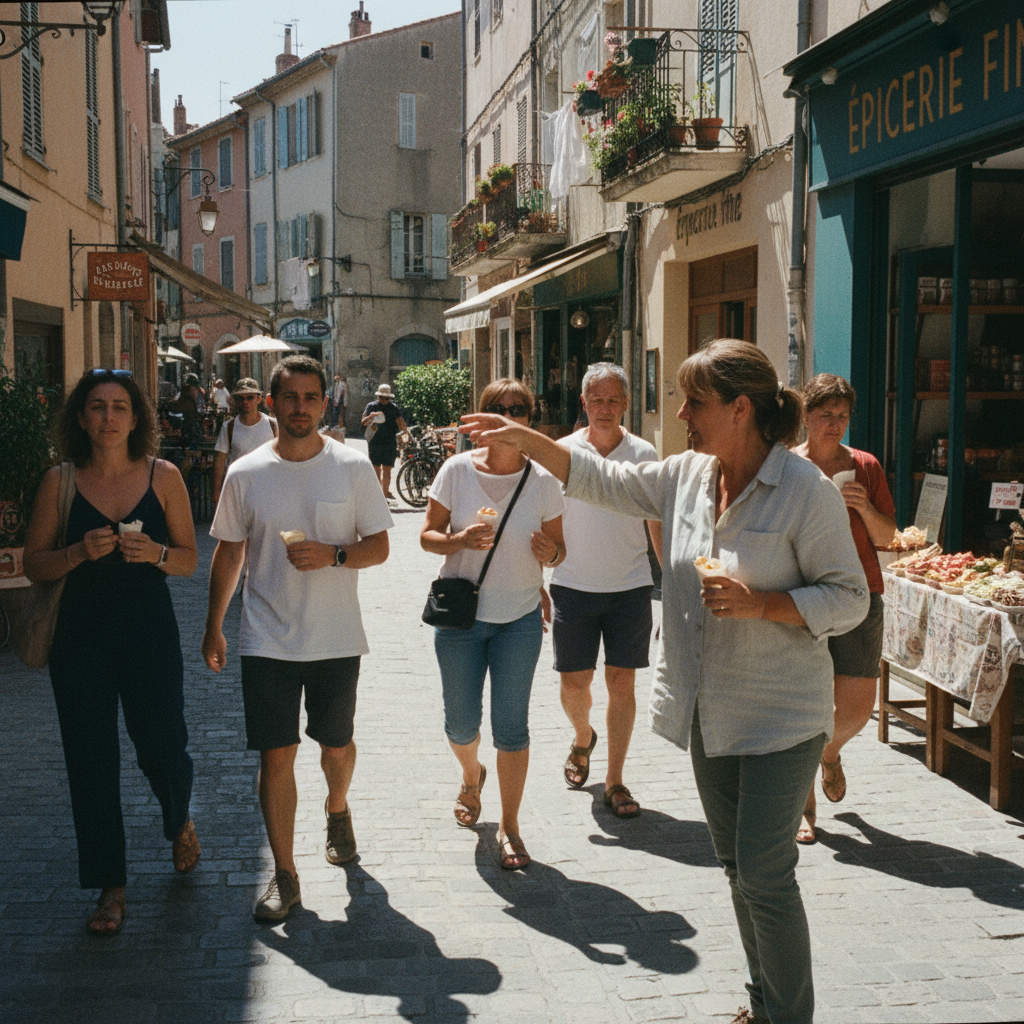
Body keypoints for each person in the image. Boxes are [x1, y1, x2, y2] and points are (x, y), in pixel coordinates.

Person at [461, 340, 869, 1024]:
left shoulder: (805, 491)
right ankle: (763, 1002)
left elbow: (850, 597)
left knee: (765, 873)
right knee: (738, 868)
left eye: (694, 401)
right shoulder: (685, 475)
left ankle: (788, 1016)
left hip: (782, 714)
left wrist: (764, 603)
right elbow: (600, 480)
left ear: (740, 409)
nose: (680, 414)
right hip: (711, 712)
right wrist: (526, 439)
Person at [202, 354, 393, 923]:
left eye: (311, 398)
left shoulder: (351, 467)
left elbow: (379, 547)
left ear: (324, 403)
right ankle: (284, 874)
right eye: (290, 397)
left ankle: (337, 808)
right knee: (275, 754)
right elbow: (229, 551)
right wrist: (214, 625)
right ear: (271, 403)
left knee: (336, 746)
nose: (301, 407)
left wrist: (334, 555)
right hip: (266, 637)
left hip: (335, 637)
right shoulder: (246, 473)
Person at [23, 368, 200, 937]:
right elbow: (34, 565)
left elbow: (189, 559)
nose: (108, 417)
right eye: (97, 407)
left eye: (119, 407)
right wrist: (77, 552)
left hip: (149, 633)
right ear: (81, 418)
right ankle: (110, 887)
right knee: (90, 761)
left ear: (136, 417)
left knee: (163, 745)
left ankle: (179, 819)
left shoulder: (163, 476)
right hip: (79, 641)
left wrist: (156, 554)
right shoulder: (59, 481)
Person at [420, 378, 565, 871]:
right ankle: (470, 774)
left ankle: (510, 826)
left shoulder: (543, 481)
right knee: (461, 725)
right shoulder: (456, 471)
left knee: (512, 728)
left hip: (518, 620)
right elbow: (427, 537)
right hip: (460, 619)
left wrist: (552, 553)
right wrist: (459, 540)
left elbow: (559, 551)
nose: (508, 415)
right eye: (498, 407)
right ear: (480, 419)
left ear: (529, 419)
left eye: (518, 409)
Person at [552, 363, 661, 818]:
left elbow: (655, 519)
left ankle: (615, 780)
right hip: (572, 585)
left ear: (626, 404)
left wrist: (671, 580)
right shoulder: (562, 452)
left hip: (629, 587)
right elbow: (545, 519)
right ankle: (583, 736)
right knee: (574, 684)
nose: (604, 408)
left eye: (613, 400)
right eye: (596, 399)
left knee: (622, 683)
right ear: (584, 403)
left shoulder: (644, 452)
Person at [792, 373, 897, 844]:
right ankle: (803, 805)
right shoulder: (788, 466)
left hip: (859, 593)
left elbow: (888, 538)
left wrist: (865, 508)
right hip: (802, 595)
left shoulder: (865, 466)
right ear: (806, 415)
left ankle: (828, 753)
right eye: (825, 415)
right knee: (803, 703)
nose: (834, 424)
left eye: (842, 416)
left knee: (856, 706)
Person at [212, 378, 278, 507]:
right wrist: (216, 494)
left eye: (250, 397)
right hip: (238, 491)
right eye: (241, 398)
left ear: (258, 399)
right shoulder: (229, 427)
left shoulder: (273, 425)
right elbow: (219, 462)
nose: (245, 402)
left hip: (267, 491)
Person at [360, 383, 407, 500]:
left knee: (387, 471)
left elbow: (401, 423)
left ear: (390, 398)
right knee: (376, 469)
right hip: (375, 442)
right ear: (378, 397)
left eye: (386, 398)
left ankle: (383, 497)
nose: (384, 400)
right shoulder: (372, 406)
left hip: (389, 442)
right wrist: (371, 416)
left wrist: (404, 436)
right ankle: (377, 497)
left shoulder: (394, 408)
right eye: (382, 397)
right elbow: (363, 422)